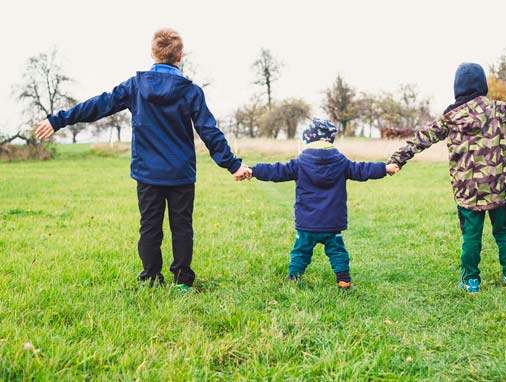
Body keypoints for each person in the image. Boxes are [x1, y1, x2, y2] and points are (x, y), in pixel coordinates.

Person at [34, 28, 251, 292]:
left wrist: (58, 120)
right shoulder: (191, 91)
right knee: (182, 227)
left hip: (148, 173)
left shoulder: (136, 87)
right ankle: (182, 281)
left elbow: (98, 105)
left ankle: (150, 277)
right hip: (180, 173)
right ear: (180, 56)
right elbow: (209, 131)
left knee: (149, 227)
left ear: (153, 53)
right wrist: (233, 165)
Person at [387, 62, 506, 293]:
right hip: (497, 187)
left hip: (467, 192)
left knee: (471, 237)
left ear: (457, 88)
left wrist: (397, 159)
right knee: (504, 232)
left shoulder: (449, 118)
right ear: (482, 85)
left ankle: (471, 280)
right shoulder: (494, 108)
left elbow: (421, 139)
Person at [244, 118, 399, 289]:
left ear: (308, 139)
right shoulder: (341, 162)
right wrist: (384, 168)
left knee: (300, 252)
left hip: (307, 223)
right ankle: (344, 281)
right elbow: (362, 169)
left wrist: (254, 170)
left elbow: (276, 171)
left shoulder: (300, 163)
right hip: (332, 223)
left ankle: (293, 279)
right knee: (338, 252)